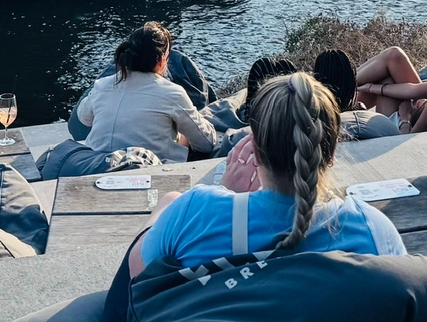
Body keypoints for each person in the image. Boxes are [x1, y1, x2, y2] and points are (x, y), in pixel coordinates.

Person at [129, 73, 405, 275]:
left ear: (256, 152)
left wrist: (224, 195)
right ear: (331, 153)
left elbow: (138, 273)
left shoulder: (194, 211)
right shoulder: (371, 229)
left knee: (169, 199)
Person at [72, 21, 222, 163]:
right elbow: (206, 143)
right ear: (161, 60)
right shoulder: (173, 93)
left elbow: (84, 118)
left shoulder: (102, 84)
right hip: (146, 168)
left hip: (98, 162)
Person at [220, 55, 302, 192]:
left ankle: (252, 113)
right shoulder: (348, 212)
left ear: (256, 148)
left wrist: (225, 192)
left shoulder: (236, 140)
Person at [311, 49, 399, 140]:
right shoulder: (381, 123)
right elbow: (402, 139)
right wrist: (406, 121)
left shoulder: (313, 125)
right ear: (353, 85)